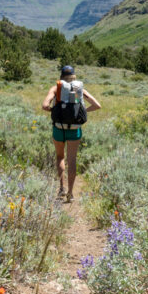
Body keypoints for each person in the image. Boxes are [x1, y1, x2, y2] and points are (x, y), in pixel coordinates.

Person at [41, 65, 101, 203]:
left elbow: (44, 105)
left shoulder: (56, 88)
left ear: (61, 76)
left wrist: (55, 112)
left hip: (58, 127)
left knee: (60, 157)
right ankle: (70, 193)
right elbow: (97, 105)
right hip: (75, 128)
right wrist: (82, 112)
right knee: (72, 160)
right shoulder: (79, 89)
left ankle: (61, 188)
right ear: (74, 76)